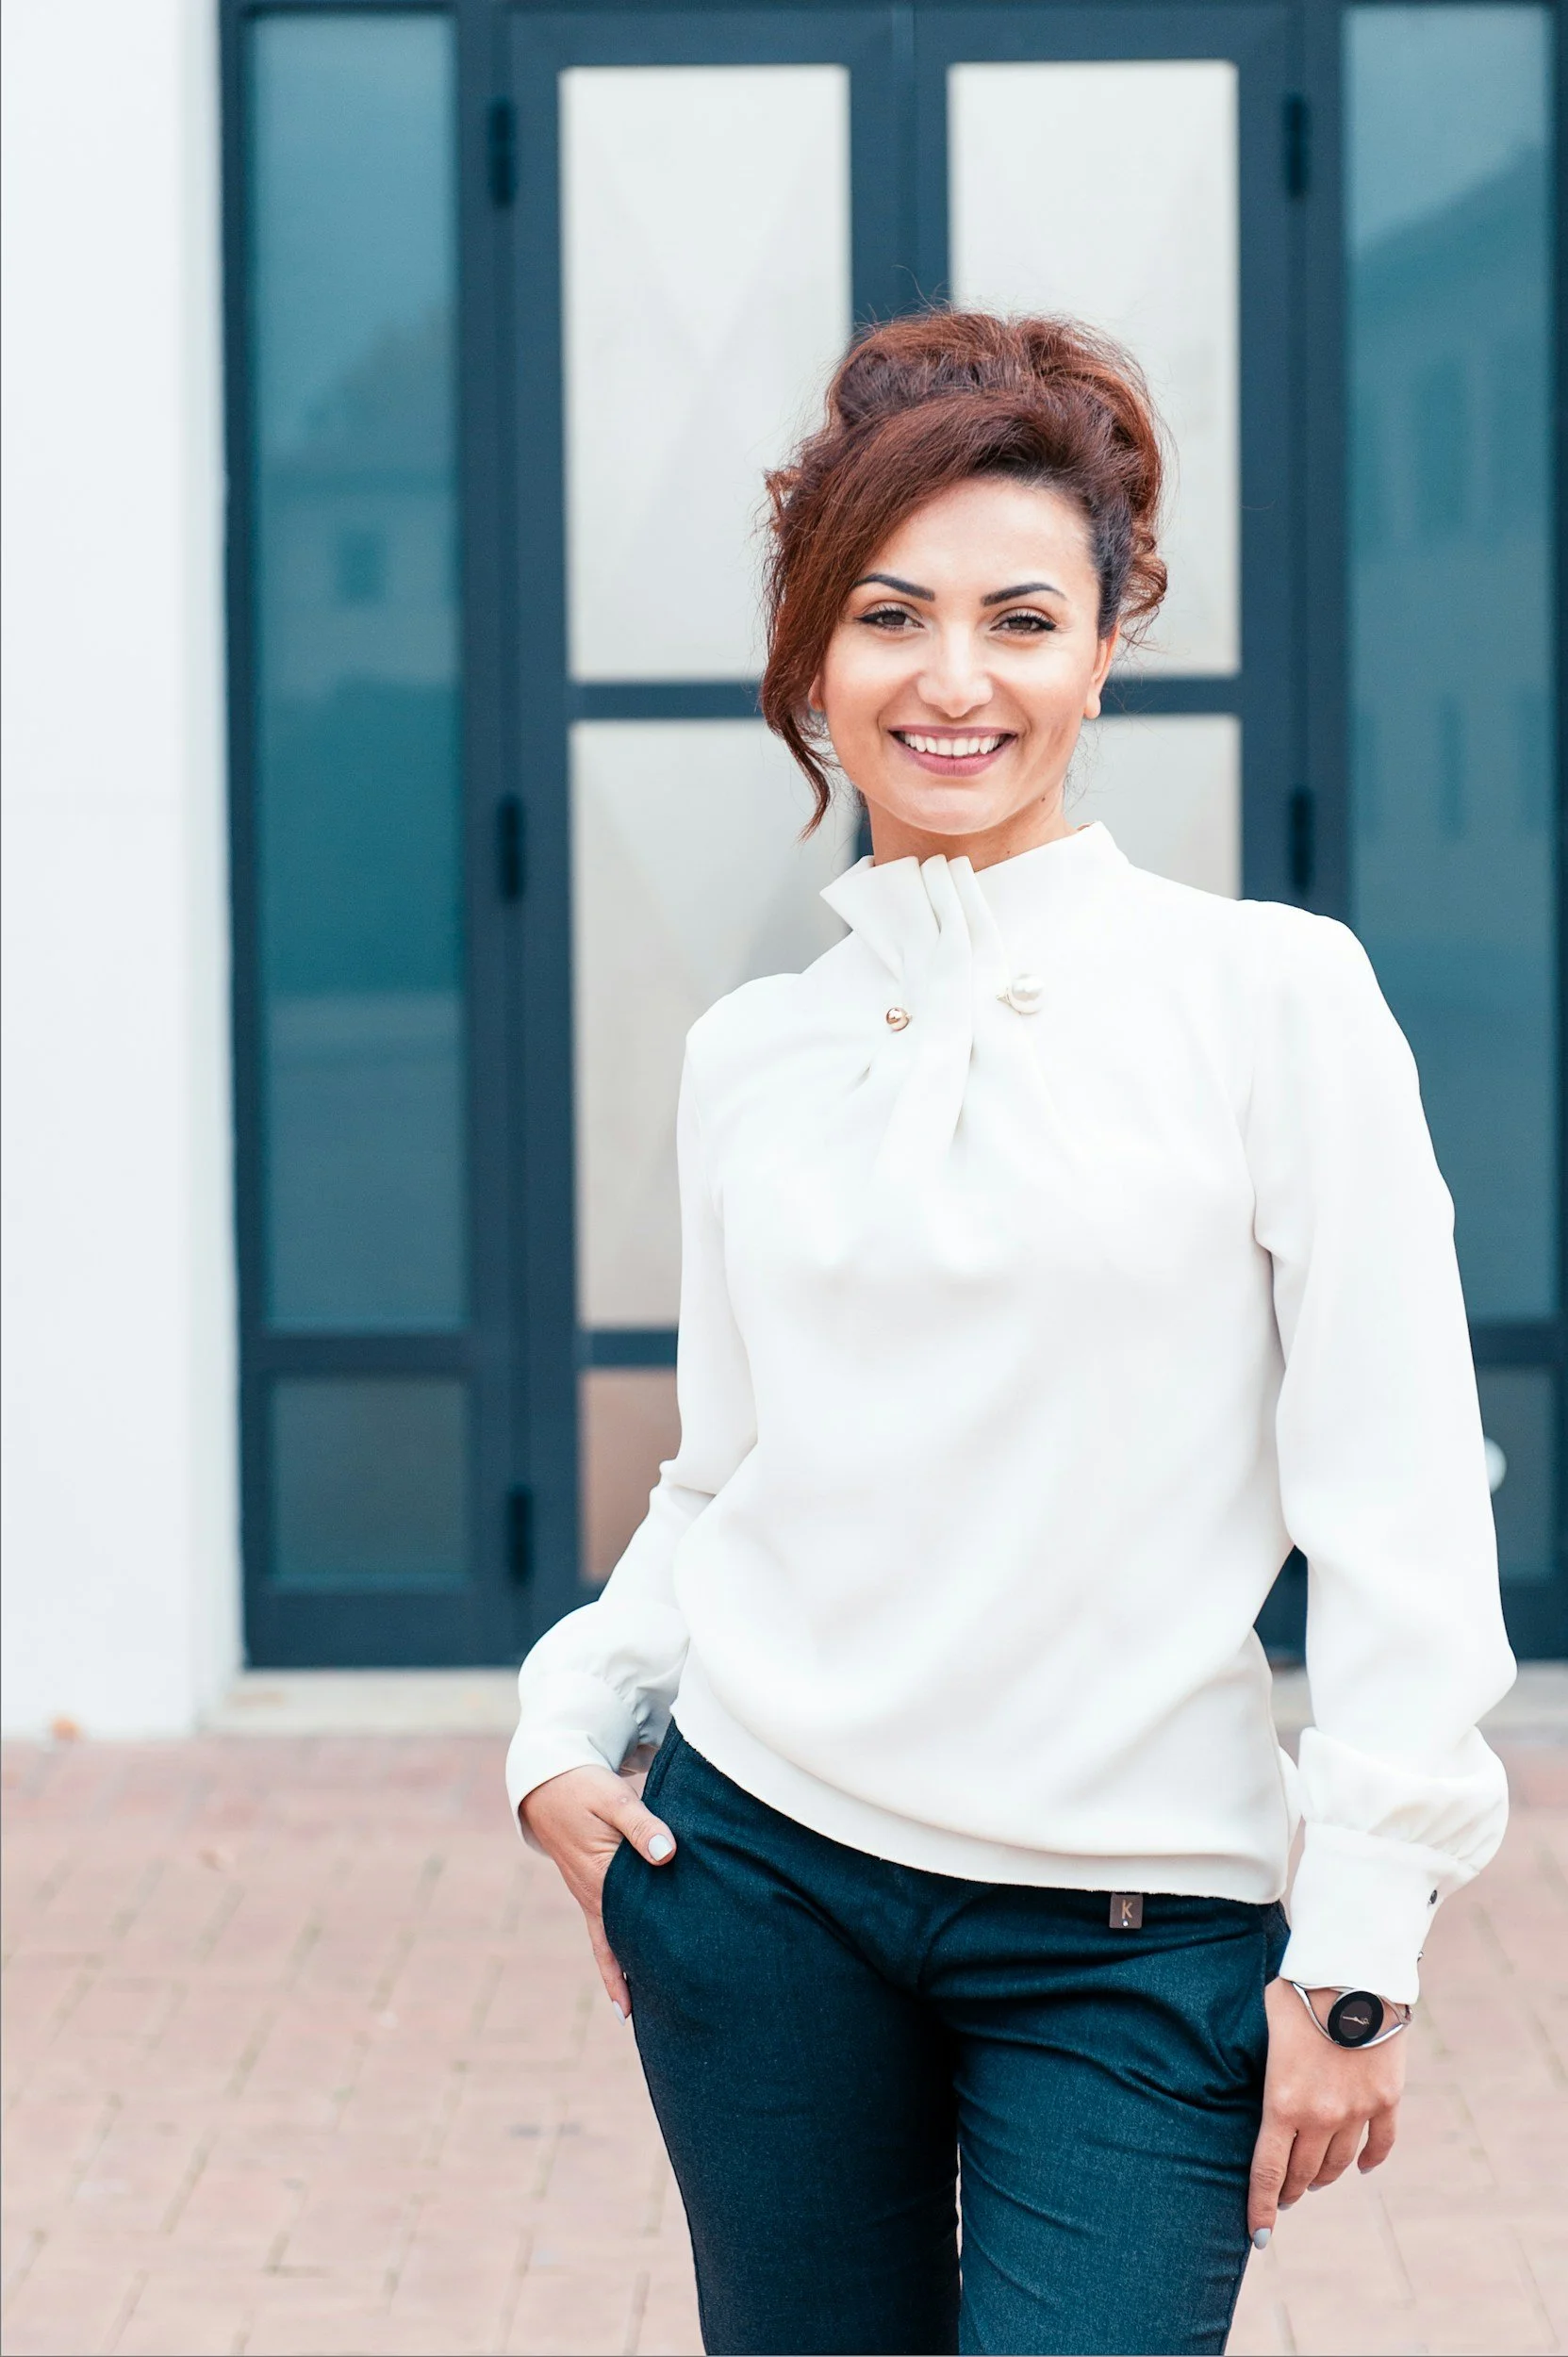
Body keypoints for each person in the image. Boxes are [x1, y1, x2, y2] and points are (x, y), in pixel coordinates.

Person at [505, 311, 1514, 2357]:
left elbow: (1400, 1497)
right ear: (812, 653)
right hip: (761, 1886)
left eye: (1021, 620)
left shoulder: (1272, 999)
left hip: (1135, 1932)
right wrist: (560, 1728)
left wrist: (1360, 1950)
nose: (952, 680)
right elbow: (727, 1472)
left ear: (1105, 648)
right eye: (889, 615)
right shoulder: (755, 1051)